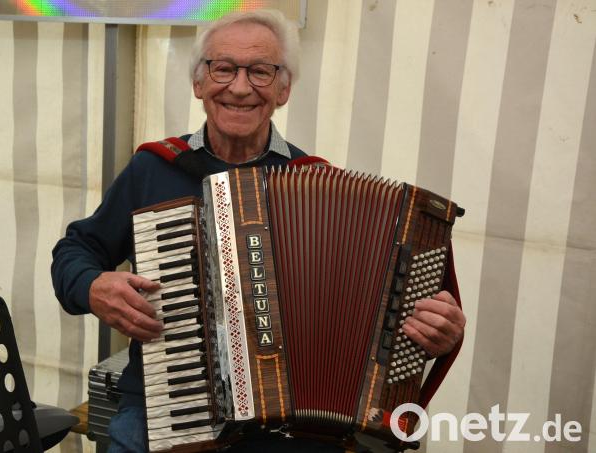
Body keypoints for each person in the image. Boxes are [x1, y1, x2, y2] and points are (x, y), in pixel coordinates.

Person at [51, 9, 465, 452]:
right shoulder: (154, 169)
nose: (241, 87)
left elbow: (385, 315)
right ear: (199, 83)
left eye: (261, 72)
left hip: (286, 431)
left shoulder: (316, 187)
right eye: (223, 68)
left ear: (283, 90)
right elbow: (75, 249)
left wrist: (437, 330)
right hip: (163, 411)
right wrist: (92, 284)